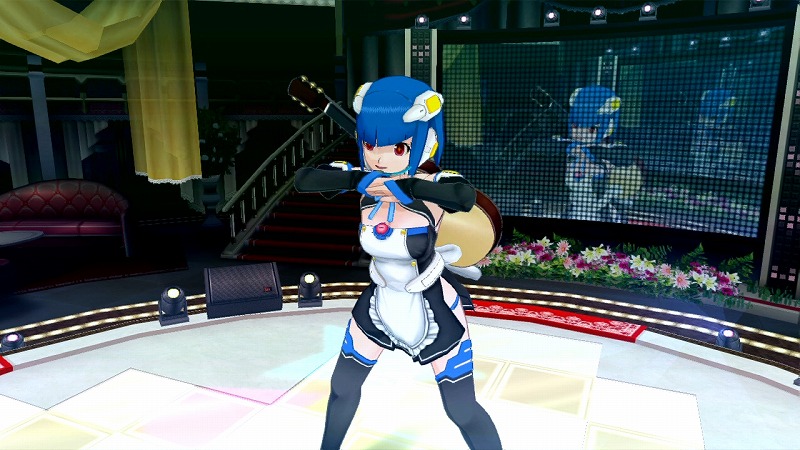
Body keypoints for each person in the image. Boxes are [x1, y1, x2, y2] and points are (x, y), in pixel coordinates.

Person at [294, 76, 502, 450]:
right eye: (370, 145)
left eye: (398, 147)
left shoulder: (437, 182)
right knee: (342, 388)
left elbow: (463, 195)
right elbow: (305, 180)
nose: (379, 157)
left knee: (461, 409)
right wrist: (360, 181)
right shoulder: (365, 180)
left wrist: (402, 187)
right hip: (380, 303)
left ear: (424, 140)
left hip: (433, 309)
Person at [563, 85, 624, 222]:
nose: (580, 132)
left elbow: (618, 163)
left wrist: (603, 166)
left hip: (595, 200)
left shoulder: (608, 149)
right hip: (580, 197)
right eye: (575, 126)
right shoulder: (574, 147)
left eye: (591, 129)